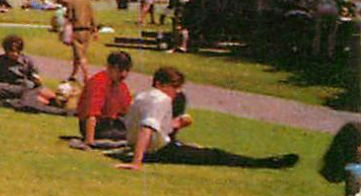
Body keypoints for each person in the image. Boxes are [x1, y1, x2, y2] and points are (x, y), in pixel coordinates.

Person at [116, 67, 298, 171]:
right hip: (157, 151)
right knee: (216, 155)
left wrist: (176, 125)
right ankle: (265, 163)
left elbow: (142, 125)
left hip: (153, 146)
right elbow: (146, 128)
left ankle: (266, 162)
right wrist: (137, 162)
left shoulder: (142, 95)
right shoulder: (161, 99)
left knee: (198, 149)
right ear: (159, 84)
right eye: (174, 87)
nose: (177, 92)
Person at [75, 50, 133, 145]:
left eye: (127, 70)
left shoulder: (121, 86)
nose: (124, 74)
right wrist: (89, 140)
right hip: (97, 126)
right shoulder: (98, 82)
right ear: (110, 67)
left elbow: (128, 110)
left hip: (112, 122)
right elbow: (91, 114)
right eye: (120, 70)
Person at [65, 0, 96, 85]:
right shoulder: (87, 0)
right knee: (77, 54)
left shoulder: (72, 1)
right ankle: (73, 74)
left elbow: (69, 17)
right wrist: (95, 30)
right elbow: (92, 16)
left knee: (81, 55)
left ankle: (87, 76)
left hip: (77, 30)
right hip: (87, 30)